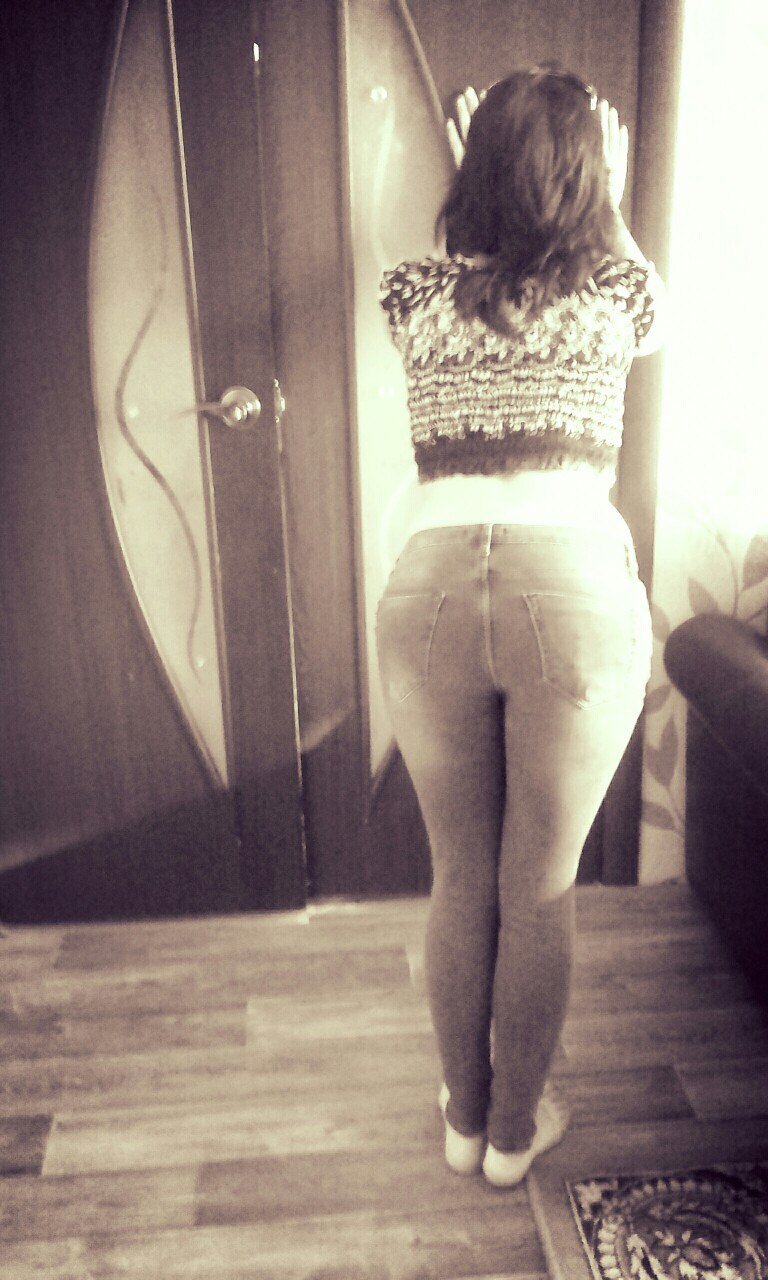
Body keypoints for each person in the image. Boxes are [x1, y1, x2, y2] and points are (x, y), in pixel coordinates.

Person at [375, 66, 663, 1187]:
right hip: (570, 588)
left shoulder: (415, 296)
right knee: (538, 881)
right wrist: (611, 195)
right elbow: (650, 301)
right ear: (591, 179)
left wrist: (483, 165)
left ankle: (462, 1116)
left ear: (473, 171)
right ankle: (512, 1134)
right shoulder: (616, 295)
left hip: (430, 591)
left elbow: (460, 265)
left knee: (460, 874)